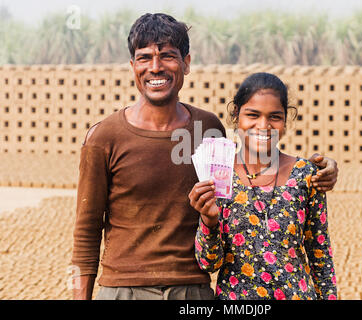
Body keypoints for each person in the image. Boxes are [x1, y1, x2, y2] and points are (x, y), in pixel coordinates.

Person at [71, 13, 339, 300]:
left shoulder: (208, 129)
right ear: (132, 66)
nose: (156, 67)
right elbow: (86, 233)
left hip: (192, 290)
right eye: (145, 57)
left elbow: (252, 168)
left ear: (186, 63)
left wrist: (321, 170)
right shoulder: (104, 137)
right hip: (123, 289)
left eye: (168, 56)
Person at [189, 72, 338, 300]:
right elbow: (209, 263)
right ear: (236, 116)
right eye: (253, 115)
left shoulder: (305, 176)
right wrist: (209, 221)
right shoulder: (219, 177)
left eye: (274, 117)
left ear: (286, 121)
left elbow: (321, 257)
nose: (263, 125)